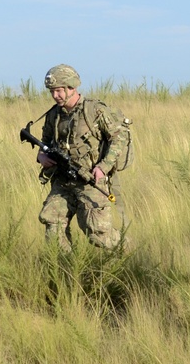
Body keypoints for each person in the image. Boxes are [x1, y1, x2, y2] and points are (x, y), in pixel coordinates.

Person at [34, 64, 131, 252]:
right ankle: (66, 272)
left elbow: (119, 137)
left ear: (72, 87)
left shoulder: (94, 110)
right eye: (52, 92)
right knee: (53, 228)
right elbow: (45, 142)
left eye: (59, 91)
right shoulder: (53, 115)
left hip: (90, 181)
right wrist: (41, 157)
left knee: (98, 235)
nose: (55, 96)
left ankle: (129, 252)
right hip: (62, 181)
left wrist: (103, 167)